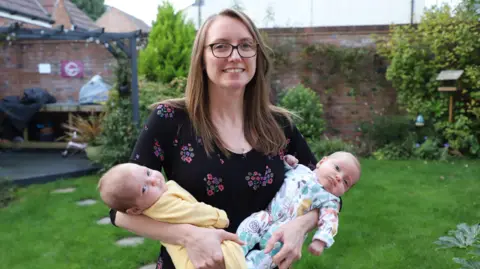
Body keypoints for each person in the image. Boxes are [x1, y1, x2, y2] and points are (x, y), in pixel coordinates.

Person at [109, 8, 336, 269]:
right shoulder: (170, 120)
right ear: (201, 58)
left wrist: (301, 225)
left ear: (257, 56)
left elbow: (330, 190)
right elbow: (120, 211)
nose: (235, 56)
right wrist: (188, 235)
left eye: (246, 46)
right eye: (221, 46)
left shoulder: (279, 125)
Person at [98, 163, 247, 269]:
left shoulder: (156, 199)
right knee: (233, 257)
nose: (154, 180)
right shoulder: (161, 206)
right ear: (135, 210)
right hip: (201, 258)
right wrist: (219, 217)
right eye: (144, 188)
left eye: (148, 172)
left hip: (199, 255)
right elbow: (192, 212)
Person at [237, 152, 361, 268]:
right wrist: (287, 161)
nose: (339, 177)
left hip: (286, 235)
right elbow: (279, 171)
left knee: (271, 257)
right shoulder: (300, 170)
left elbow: (330, 220)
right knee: (250, 226)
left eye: (345, 182)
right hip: (268, 215)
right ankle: (235, 251)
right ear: (322, 162)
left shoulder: (330, 200)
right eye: (337, 168)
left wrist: (321, 240)